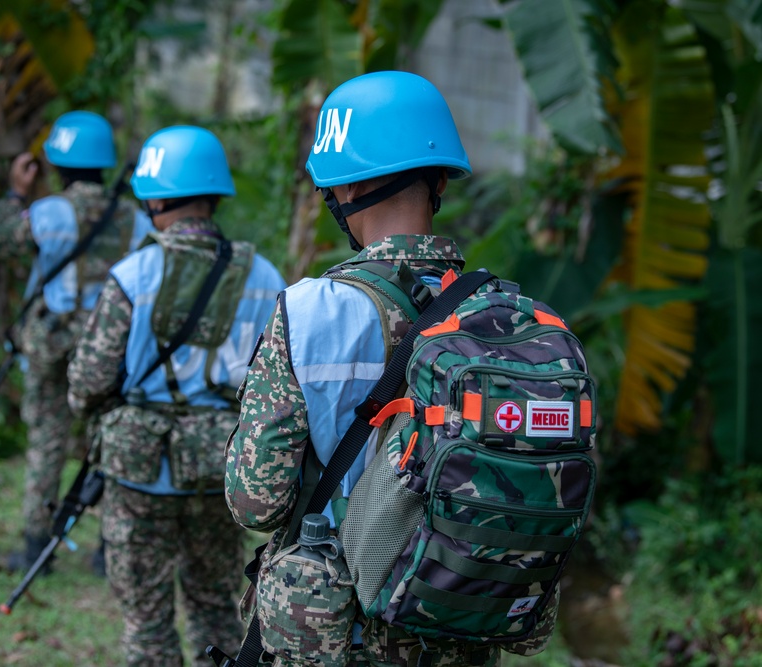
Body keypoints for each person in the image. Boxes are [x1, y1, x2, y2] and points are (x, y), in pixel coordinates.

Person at [224, 71, 560, 666]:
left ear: (344, 190)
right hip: (459, 625)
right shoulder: (512, 319)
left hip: (341, 635)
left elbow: (258, 503)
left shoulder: (310, 313)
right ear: (439, 183)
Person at [67, 125, 286, 666]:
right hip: (219, 472)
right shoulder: (264, 276)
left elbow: (90, 379)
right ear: (214, 193)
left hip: (139, 472)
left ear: (157, 196)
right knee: (216, 607)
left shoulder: (134, 273)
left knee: (146, 618)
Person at [0, 110, 139, 572]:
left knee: (47, 439)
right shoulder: (133, 217)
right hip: (111, 341)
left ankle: (36, 547)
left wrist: (15, 193)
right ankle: (108, 551)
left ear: (56, 164)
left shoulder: (49, 212)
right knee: (111, 439)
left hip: (52, 339)